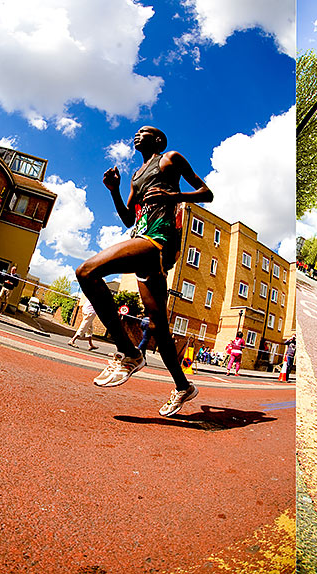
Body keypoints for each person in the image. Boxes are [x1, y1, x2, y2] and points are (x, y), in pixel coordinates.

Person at [75, 126, 212, 417]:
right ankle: (183, 387)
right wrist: (115, 191)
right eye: (136, 133)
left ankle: (129, 353)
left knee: (86, 272)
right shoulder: (136, 177)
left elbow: (206, 193)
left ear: (158, 140)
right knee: (159, 329)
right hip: (141, 240)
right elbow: (127, 219)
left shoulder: (170, 159)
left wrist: (174, 197)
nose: (137, 135)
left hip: (158, 242)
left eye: (145, 132)